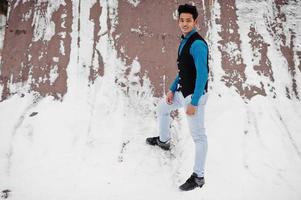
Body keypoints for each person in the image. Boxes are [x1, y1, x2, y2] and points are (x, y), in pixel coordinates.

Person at [146, 4, 209, 191]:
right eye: (182, 20)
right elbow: (184, 71)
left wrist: (195, 102)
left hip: (194, 96)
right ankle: (164, 141)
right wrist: (173, 89)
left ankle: (198, 177)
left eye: (188, 20)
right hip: (183, 92)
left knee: (198, 137)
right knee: (163, 108)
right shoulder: (185, 41)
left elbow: (202, 75)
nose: (184, 23)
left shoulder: (197, 44)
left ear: (195, 22)